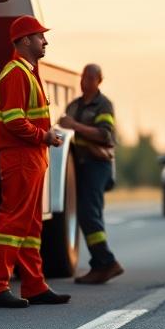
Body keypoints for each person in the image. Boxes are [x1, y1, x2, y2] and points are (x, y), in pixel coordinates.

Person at [0, 15, 71, 308]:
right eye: (39, 36)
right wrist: (43, 136)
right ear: (24, 41)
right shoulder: (15, 74)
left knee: (31, 225)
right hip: (21, 157)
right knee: (13, 222)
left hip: (32, 157)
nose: (44, 40)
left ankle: (34, 285)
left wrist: (42, 140)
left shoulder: (28, 71)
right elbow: (13, 120)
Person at [59, 64, 124, 284]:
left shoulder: (103, 105)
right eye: (83, 76)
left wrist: (75, 125)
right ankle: (100, 264)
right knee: (86, 214)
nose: (84, 81)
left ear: (99, 80)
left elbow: (105, 135)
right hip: (80, 165)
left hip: (98, 165)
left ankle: (106, 262)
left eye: (89, 77)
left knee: (89, 213)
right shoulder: (74, 105)